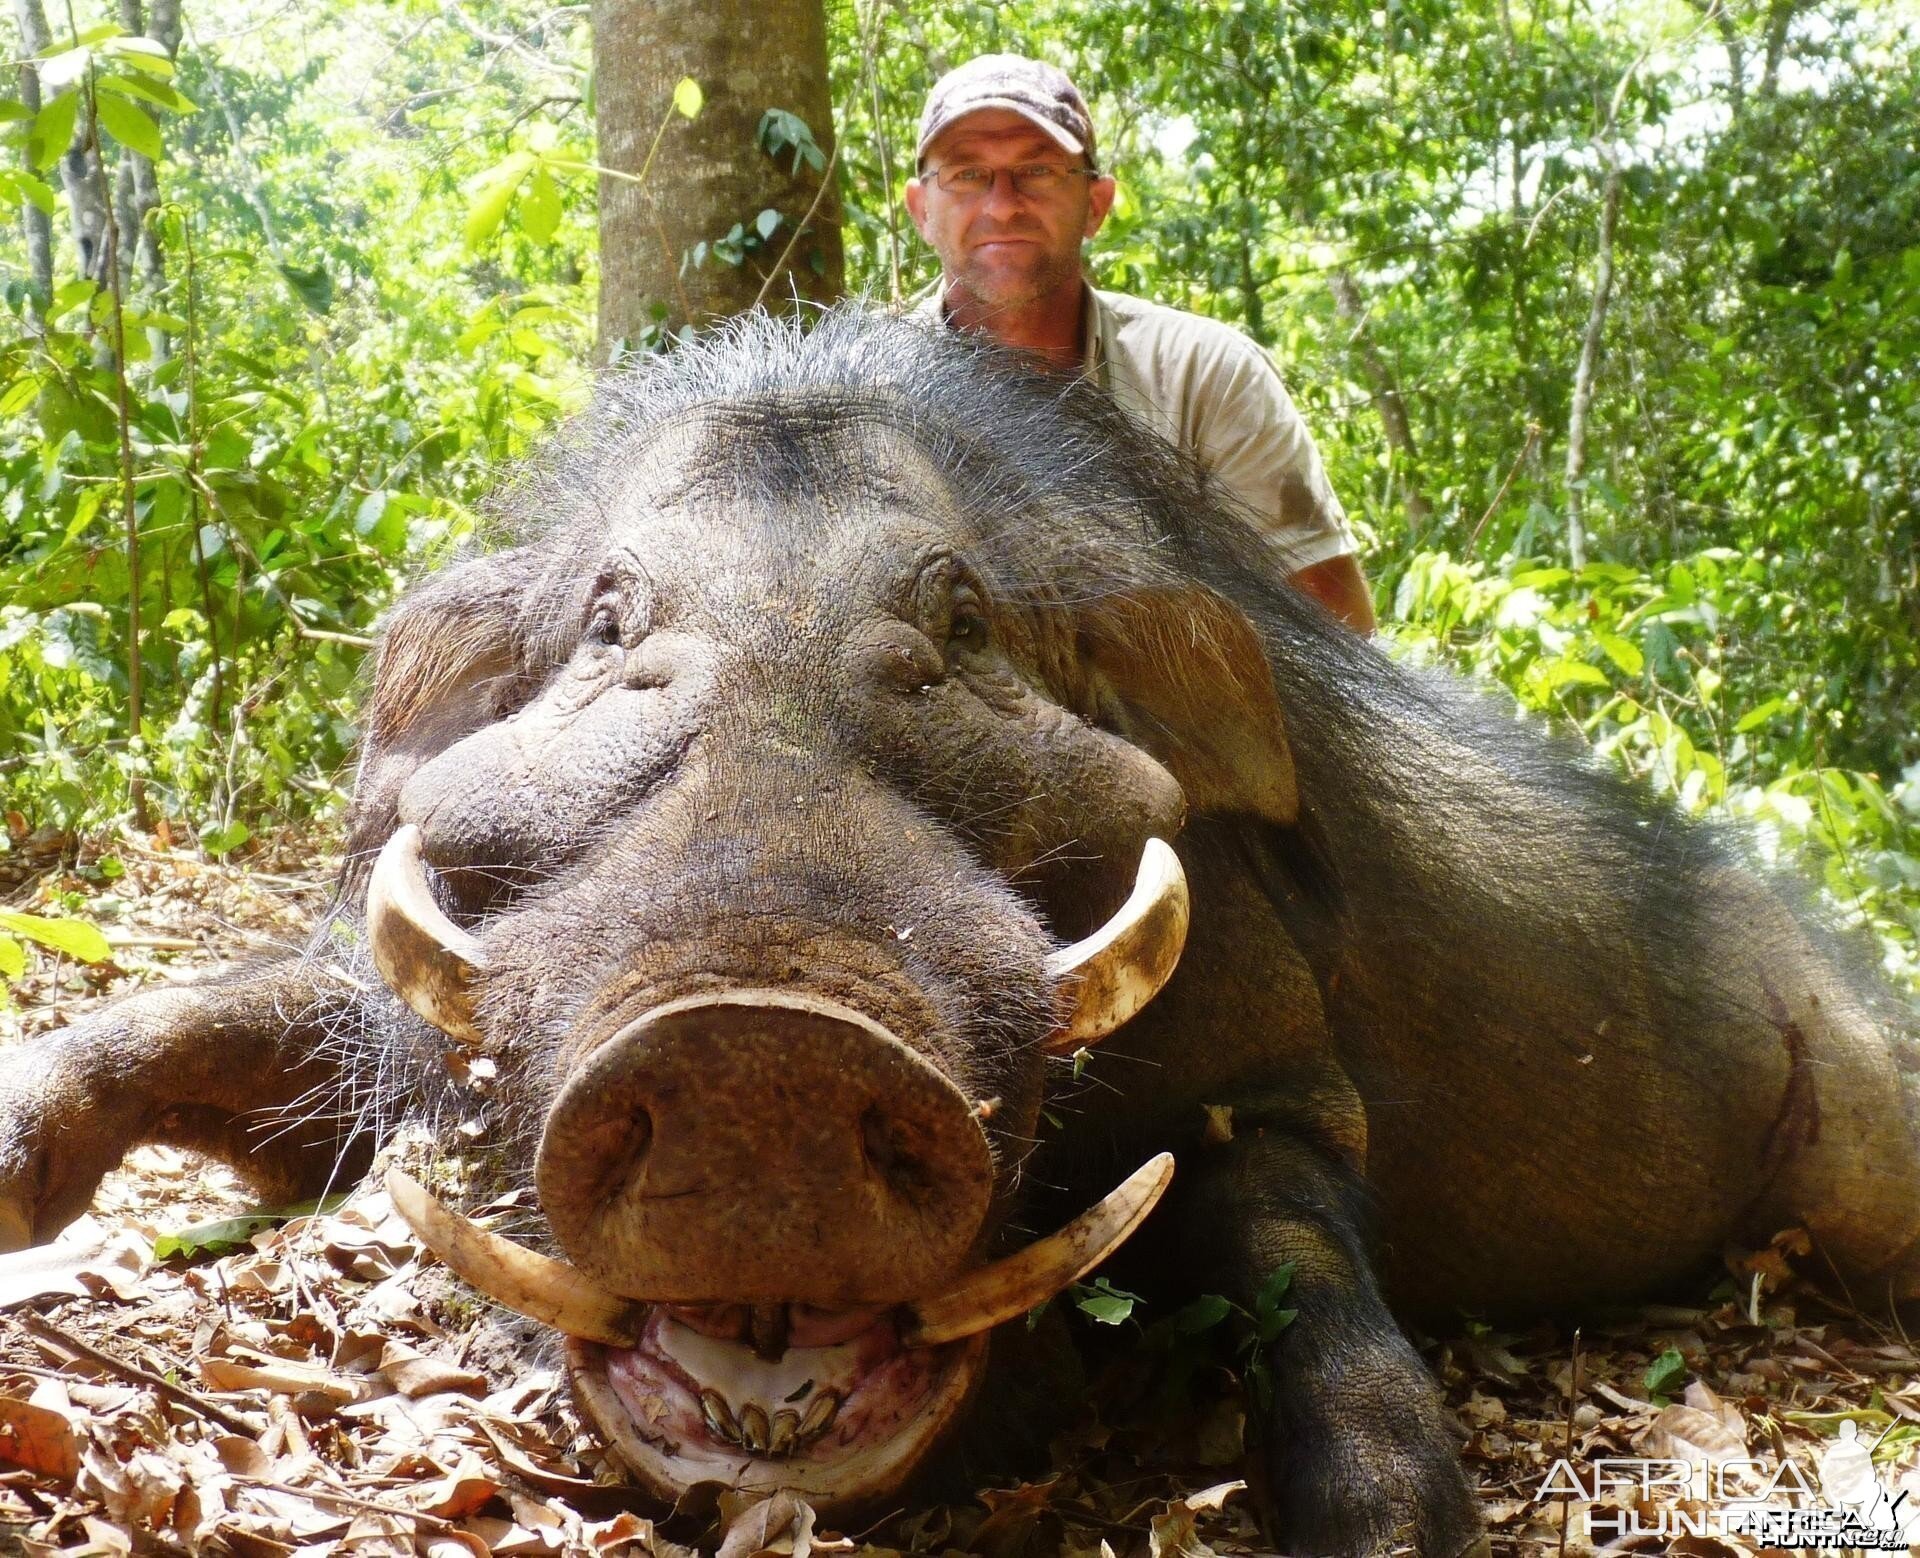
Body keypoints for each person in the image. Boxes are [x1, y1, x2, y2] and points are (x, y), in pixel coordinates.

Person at [903, 54, 1376, 633]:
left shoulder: (1202, 374)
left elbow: (1334, 623)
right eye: (967, 174)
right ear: (922, 210)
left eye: (1040, 171)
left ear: (1096, 205)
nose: (1003, 205)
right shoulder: (863, 397)